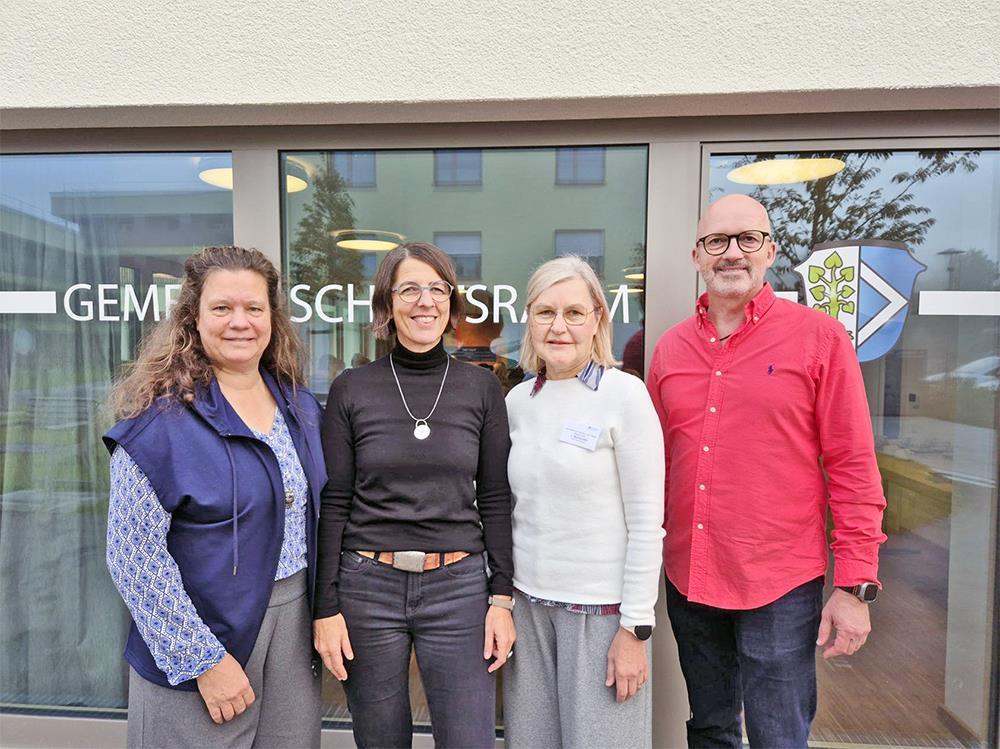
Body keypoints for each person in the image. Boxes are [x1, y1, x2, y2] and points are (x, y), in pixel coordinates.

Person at [646, 195, 887, 748]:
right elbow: (655, 468)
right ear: (697, 256)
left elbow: (852, 465)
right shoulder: (670, 349)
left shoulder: (819, 338)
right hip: (690, 576)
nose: (732, 253)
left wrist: (855, 586)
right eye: (717, 241)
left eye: (747, 239)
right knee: (710, 728)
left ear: (770, 251)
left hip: (779, 583)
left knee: (778, 735)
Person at [104, 246, 325, 748]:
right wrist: (202, 660)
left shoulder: (301, 408)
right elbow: (133, 558)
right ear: (193, 318)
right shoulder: (158, 425)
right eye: (222, 308)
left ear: (273, 318)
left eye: (254, 308)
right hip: (202, 634)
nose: (239, 322)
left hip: (292, 626)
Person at [312, 242, 515, 749]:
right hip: (367, 588)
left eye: (437, 289)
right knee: (380, 738)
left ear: (451, 302)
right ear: (387, 303)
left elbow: (494, 497)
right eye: (409, 289)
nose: (425, 301)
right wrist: (325, 607)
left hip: (458, 588)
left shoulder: (482, 389)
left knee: (469, 739)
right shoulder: (352, 388)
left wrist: (502, 598)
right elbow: (335, 501)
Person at [502, 256, 665, 748]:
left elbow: (647, 524)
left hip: (602, 616)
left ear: (597, 318)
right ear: (529, 319)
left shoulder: (625, 395)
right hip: (528, 611)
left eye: (574, 312)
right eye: (545, 312)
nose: (558, 327)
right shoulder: (517, 402)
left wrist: (635, 629)